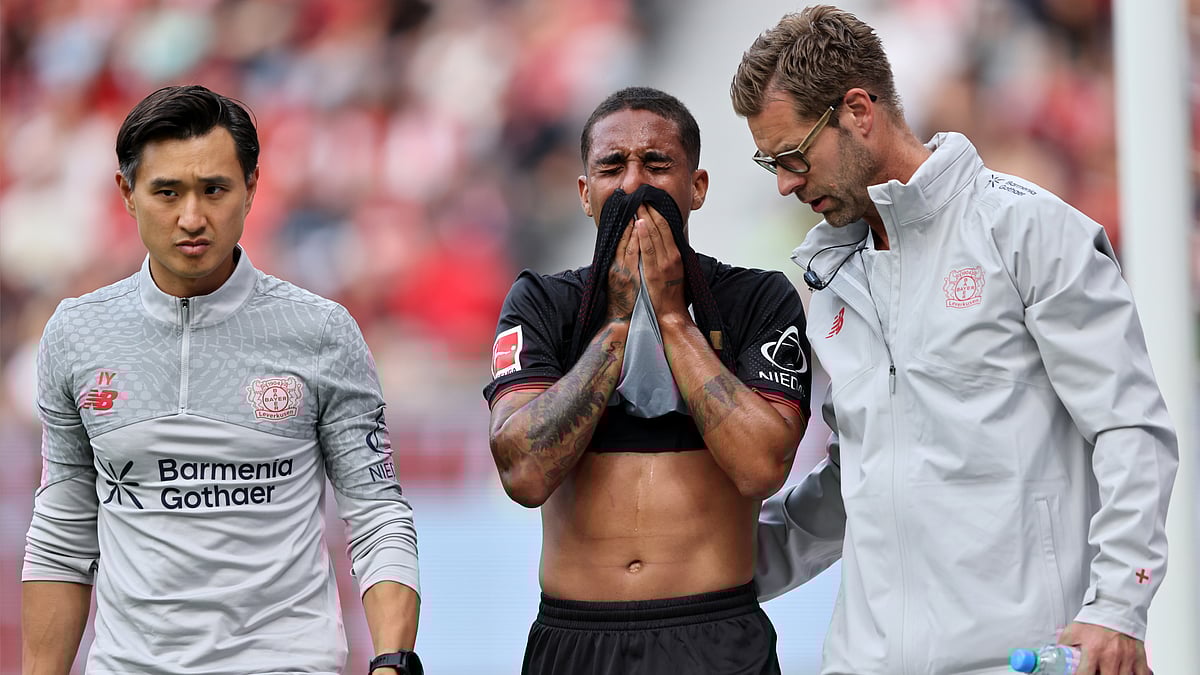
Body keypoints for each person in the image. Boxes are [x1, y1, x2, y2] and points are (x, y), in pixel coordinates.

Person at [729, 6, 1179, 675]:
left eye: (793, 156)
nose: (785, 183)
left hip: (1023, 660)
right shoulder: (832, 277)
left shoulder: (1030, 231)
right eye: (771, 162)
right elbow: (858, 480)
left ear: (858, 110)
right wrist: (708, 569)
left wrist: (1119, 605)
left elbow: (1131, 429)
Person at [21, 85, 423, 675]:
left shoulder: (321, 331)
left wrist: (392, 661)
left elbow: (377, 513)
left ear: (252, 188)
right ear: (126, 193)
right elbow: (62, 532)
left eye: (214, 190)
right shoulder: (77, 332)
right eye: (167, 192)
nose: (192, 218)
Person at [483, 86, 812, 675]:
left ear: (698, 186)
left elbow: (762, 467)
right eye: (612, 167)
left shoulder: (758, 298)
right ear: (585, 193)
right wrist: (616, 324)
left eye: (657, 164)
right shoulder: (541, 302)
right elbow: (524, 473)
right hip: (575, 639)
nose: (633, 183)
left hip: (714, 636)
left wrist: (672, 319)